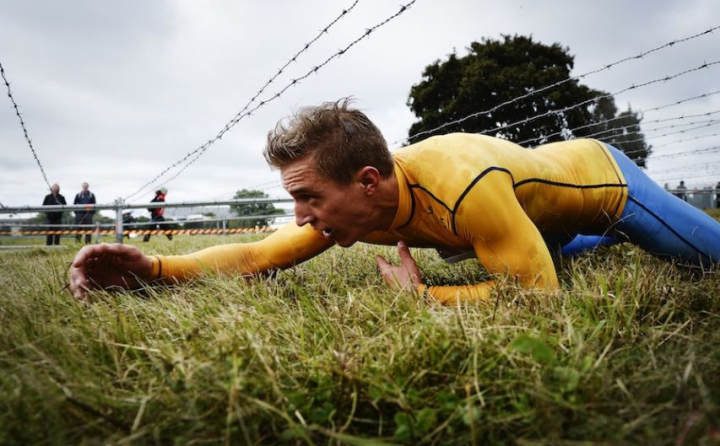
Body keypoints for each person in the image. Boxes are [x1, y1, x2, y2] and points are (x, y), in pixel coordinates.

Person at [69, 99, 720, 303]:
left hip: (605, 183)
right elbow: (259, 254)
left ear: (368, 183)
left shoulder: (462, 186)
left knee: (706, 258)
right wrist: (152, 271)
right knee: (549, 250)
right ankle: (593, 245)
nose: (300, 217)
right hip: (531, 222)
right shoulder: (352, 206)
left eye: (306, 197)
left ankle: (625, 230)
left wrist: (426, 296)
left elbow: (538, 298)